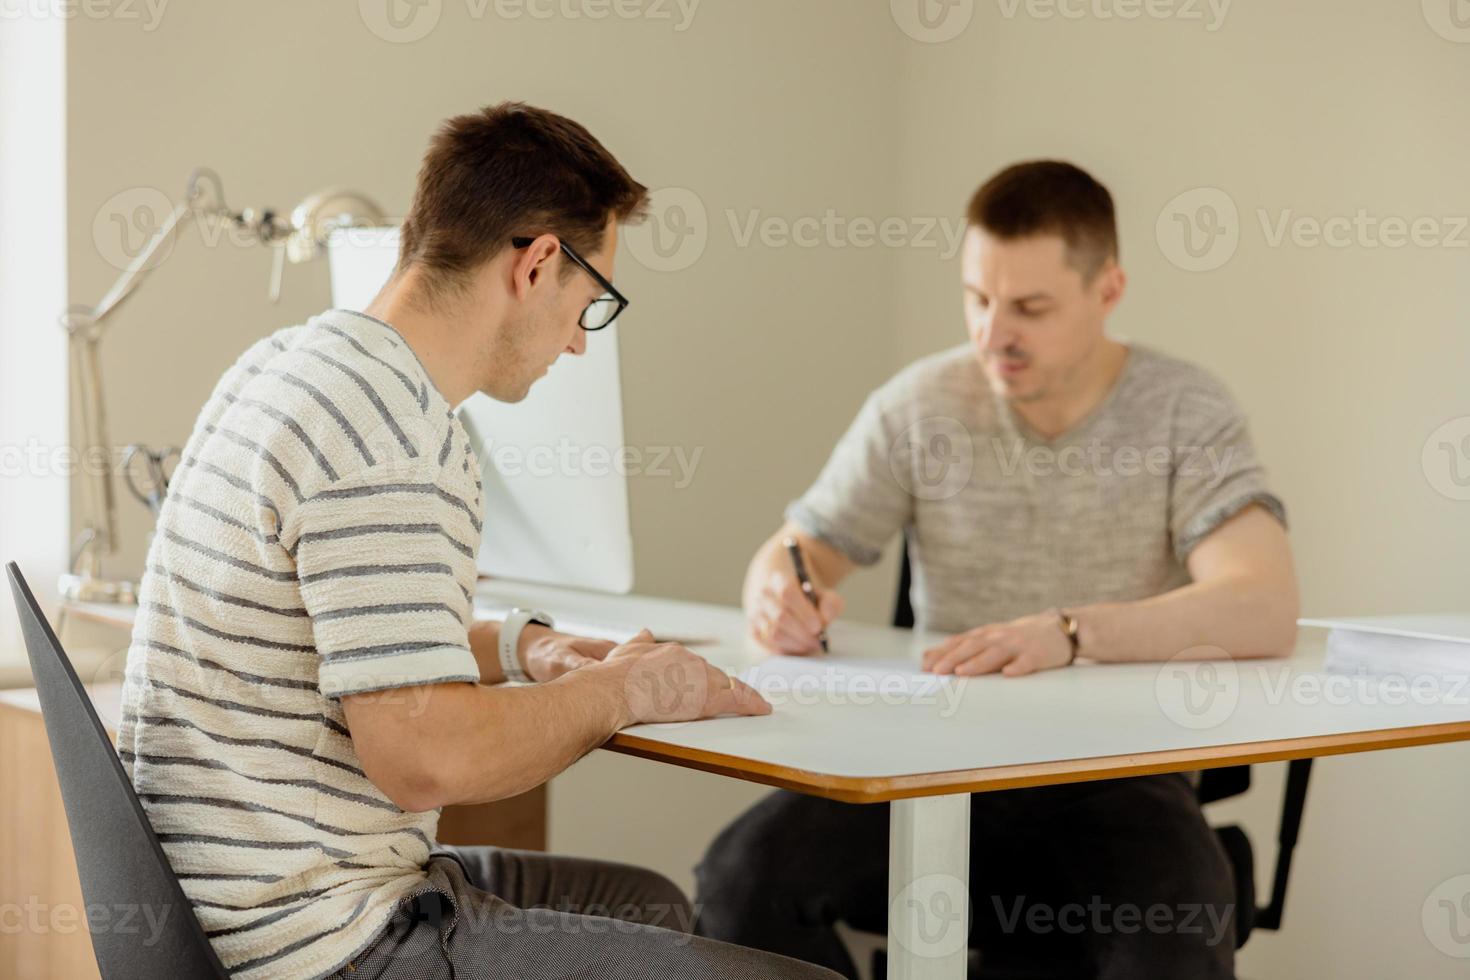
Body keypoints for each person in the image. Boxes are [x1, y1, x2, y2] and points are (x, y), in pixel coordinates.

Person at [118, 102, 840, 980]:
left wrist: (517, 646)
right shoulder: (396, 434)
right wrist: (622, 690)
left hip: (224, 910)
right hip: (329, 944)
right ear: (539, 263)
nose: (578, 343)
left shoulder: (287, 367)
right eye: (592, 301)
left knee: (644, 903)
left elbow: (337, 636)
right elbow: (426, 757)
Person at [695, 160, 1300, 980]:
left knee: (1183, 920)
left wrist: (1071, 633)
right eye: (978, 299)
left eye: (1031, 308)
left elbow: (1261, 603)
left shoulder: (1185, 410)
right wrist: (775, 595)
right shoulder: (922, 404)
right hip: (935, 762)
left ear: (1108, 289)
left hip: (1117, 772)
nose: (994, 333)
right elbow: (796, 551)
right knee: (741, 881)